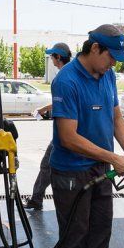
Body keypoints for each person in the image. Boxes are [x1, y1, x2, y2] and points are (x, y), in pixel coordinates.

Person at [50, 24, 124, 248]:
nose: (114, 62)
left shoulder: (108, 75)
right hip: (72, 173)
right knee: (76, 234)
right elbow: (68, 137)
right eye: (111, 56)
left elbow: (116, 117)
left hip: (101, 168)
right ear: (94, 49)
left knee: (101, 228)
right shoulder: (67, 81)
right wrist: (112, 156)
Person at [23, 42, 72, 211]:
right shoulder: (71, 74)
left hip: (64, 134)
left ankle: (38, 200)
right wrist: (44, 109)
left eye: (52, 56)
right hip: (69, 133)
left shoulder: (63, 77)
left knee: (48, 165)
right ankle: (38, 199)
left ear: (58, 57)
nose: (51, 59)